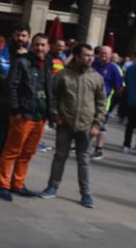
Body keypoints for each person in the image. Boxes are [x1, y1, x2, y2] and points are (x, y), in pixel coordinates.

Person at [39, 43, 105, 208]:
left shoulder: (96, 77)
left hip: (87, 126)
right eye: (86, 55)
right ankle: (52, 186)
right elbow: (53, 97)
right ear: (76, 56)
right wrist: (56, 116)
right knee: (60, 156)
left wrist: (97, 124)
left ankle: (86, 193)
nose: (90, 58)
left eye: (91, 55)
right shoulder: (63, 75)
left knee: (83, 160)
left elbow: (101, 103)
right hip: (65, 123)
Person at [0, 33, 52, 201]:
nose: (40, 48)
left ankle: (18, 183)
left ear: (48, 47)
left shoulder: (47, 64)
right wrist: (15, 110)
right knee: (12, 150)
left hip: (40, 116)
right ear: (32, 46)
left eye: (43, 45)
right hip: (23, 114)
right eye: (37, 45)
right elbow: (12, 86)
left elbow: (49, 88)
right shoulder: (22, 62)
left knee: (28, 152)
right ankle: (3, 184)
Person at [0, 23, 30, 188]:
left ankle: (8, 176)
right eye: (18, 35)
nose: (20, 39)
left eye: (24, 36)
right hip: (1, 105)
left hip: (21, 107)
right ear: (13, 36)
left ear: (28, 37)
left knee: (16, 144)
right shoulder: (1, 53)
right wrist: (9, 80)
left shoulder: (30, 56)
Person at [91, 45, 123, 160]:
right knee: (88, 123)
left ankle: (98, 149)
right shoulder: (94, 64)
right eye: (101, 52)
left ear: (110, 55)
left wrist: (113, 100)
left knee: (101, 125)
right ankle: (84, 145)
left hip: (104, 101)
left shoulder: (114, 68)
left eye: (106, 53)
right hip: (90, 99)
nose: (103, 55)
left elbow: (119, 87)